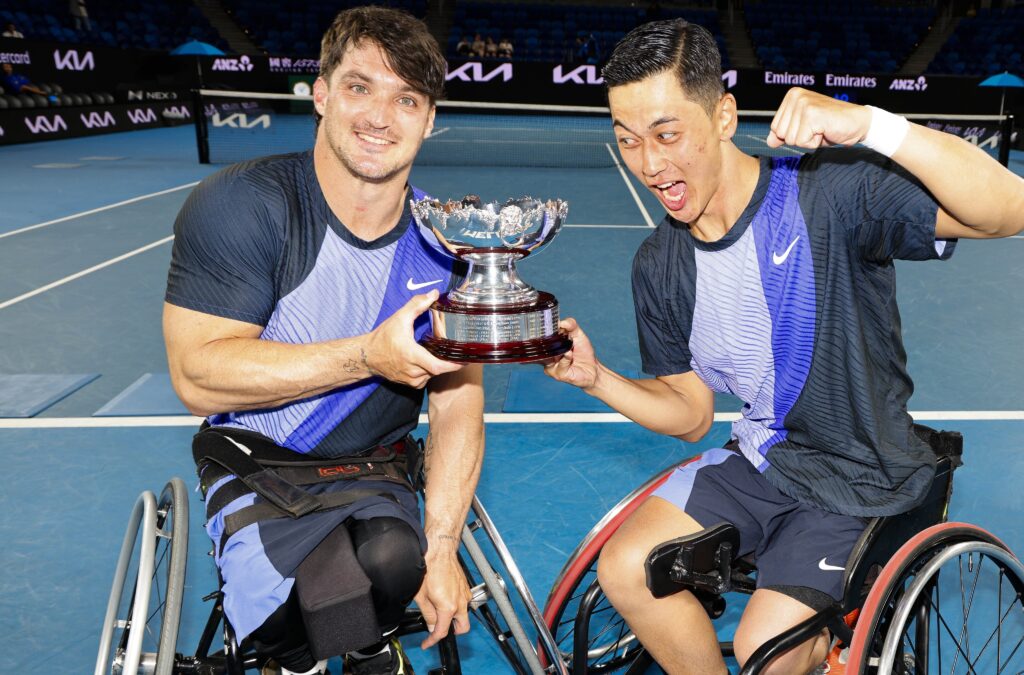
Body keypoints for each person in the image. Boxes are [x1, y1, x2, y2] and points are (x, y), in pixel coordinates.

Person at [544, 18, 1024, 675]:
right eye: (628, 139)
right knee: (626, 569)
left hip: (863, 475)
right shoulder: (659, 264)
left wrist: (874, 128)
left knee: (764, 650)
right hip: (764, 460)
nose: (650, 164)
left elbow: (1008, 208)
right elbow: (689, 414)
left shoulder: (827, 193)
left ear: (723, 116)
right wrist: (598, 378)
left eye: (667, 133)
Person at [163, 7, 485, 675]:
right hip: (257, 463)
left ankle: (355, 638)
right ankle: (327, 646)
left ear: (429, 119)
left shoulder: (448, 245)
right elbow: (198, 374)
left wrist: (446, 543)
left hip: (373, 467)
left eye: (407, 98)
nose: (380, 116)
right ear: (321, 93)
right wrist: (367, 355)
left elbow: (458, 405)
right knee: (285, 609)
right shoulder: (245, 205)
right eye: (360, 86)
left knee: (398, 561)